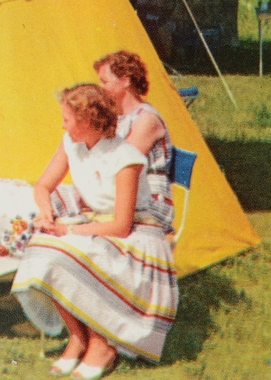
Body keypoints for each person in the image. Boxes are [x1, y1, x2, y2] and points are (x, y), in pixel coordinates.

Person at [12, 83, 177, 378]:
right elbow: (43, 185)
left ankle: (101, 344)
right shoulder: (70, 142)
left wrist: (67, 230)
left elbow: (121, 225)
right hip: (94, 222)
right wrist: (47, 210)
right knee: (41, 244)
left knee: (72, 251)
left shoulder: (125, 157)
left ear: (87, 121)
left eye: (67, 118)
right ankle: (78, 336)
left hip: (136, 233)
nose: (62, 124)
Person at [94, 50, 174, 236]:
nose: (99, 88)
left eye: (104, 82)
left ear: (126, 81)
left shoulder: (147, 119)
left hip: (150, 202)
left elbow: (117, 165)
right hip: (124, 194)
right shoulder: (119, 117)